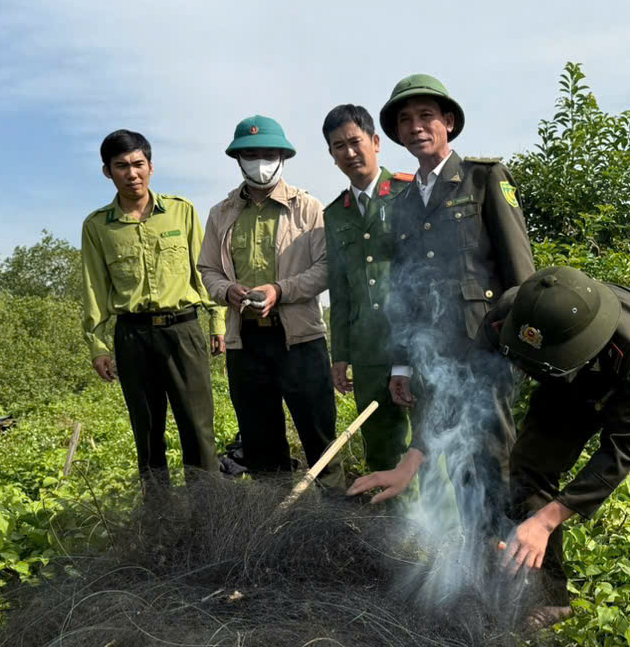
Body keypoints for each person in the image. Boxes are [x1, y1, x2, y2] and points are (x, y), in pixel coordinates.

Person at [351, 266, 630, 622]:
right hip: (567, 380)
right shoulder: (510, 314)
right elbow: (466, 390)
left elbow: (620, 452)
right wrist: (412, 460)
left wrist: (547, 521)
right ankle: (551, 598)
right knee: (528, 470)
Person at [376, 74, 535, 521]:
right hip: (432, 364)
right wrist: (403, 365)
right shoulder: (403, 202)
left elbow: (521, 273)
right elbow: (402, 294)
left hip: (485, 351)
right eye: (405, 120)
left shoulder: (483, 179)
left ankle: (504, 568)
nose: (416, 126)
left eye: (426, 116)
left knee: (492, 461)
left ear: (448, 121)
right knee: (448, 463)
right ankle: (471, 565)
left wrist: (521, 349)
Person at [198, 115, 342, 486]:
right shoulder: (221, 214)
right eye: (250, 155)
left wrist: (280, 290)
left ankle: (338, 521)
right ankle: (275, 526)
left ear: (282, 157)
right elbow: (208, 269)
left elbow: (327, 268)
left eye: (267, 154)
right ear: (238, 160)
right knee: (261, 444)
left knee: (320, 437)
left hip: (300, 340)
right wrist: (226, 291)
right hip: (245, 343)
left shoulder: (308, 208)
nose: (259, 162)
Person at [80, 129, 223, 487]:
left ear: (151, 166)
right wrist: (98, 345)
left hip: (183, 330)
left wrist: (218, 321)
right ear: (107, 172)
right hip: (133, 336)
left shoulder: (181, 212)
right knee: (147, 433)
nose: (132, 174)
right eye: (121, 166)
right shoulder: (98, 226)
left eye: (138, 164)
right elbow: (94, 289)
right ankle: (158, 521)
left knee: (198, 428)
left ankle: (209, 519)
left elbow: (204, 271)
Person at [321, 104, 414, 474]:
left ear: (376, 142)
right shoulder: (335, 213)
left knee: (427, 446)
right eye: (338, 146)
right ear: (331, 156)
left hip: (415, 340)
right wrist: (340, 354)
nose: (349, 152)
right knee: (380, 445)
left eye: (356, 142)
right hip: (368, 349)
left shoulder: (409, 193)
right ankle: (392, 530)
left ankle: (438, 532)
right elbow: (339, 290)